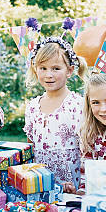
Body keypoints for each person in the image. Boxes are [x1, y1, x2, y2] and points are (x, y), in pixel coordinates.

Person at [23, 37, 88, 191]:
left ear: (70, 71)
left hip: (72, 187)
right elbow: (30, 147)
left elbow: (88, 150)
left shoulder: (78, 105)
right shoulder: (32, 107)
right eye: (43, 68)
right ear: (35, 69)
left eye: (56, 68)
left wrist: (83, 187)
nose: (48, 75)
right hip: (41, 186)